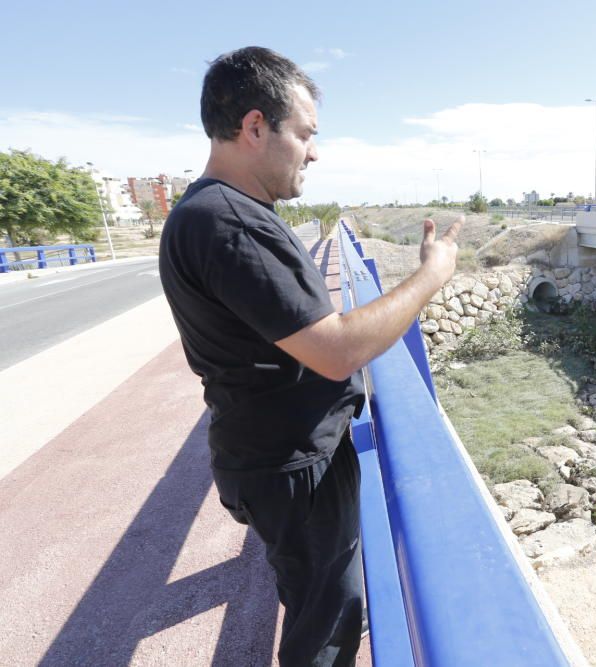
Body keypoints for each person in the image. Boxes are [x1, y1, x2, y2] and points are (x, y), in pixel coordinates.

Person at [159, 46, 462, 666]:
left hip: (274, 456)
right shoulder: (227, 223)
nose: (314, 152)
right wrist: (432, 276)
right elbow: (337, 349)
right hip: (293, 468)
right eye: (305, 134)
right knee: (325, 631)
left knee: (321, 604)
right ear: (254, 127)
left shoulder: (219, 212)